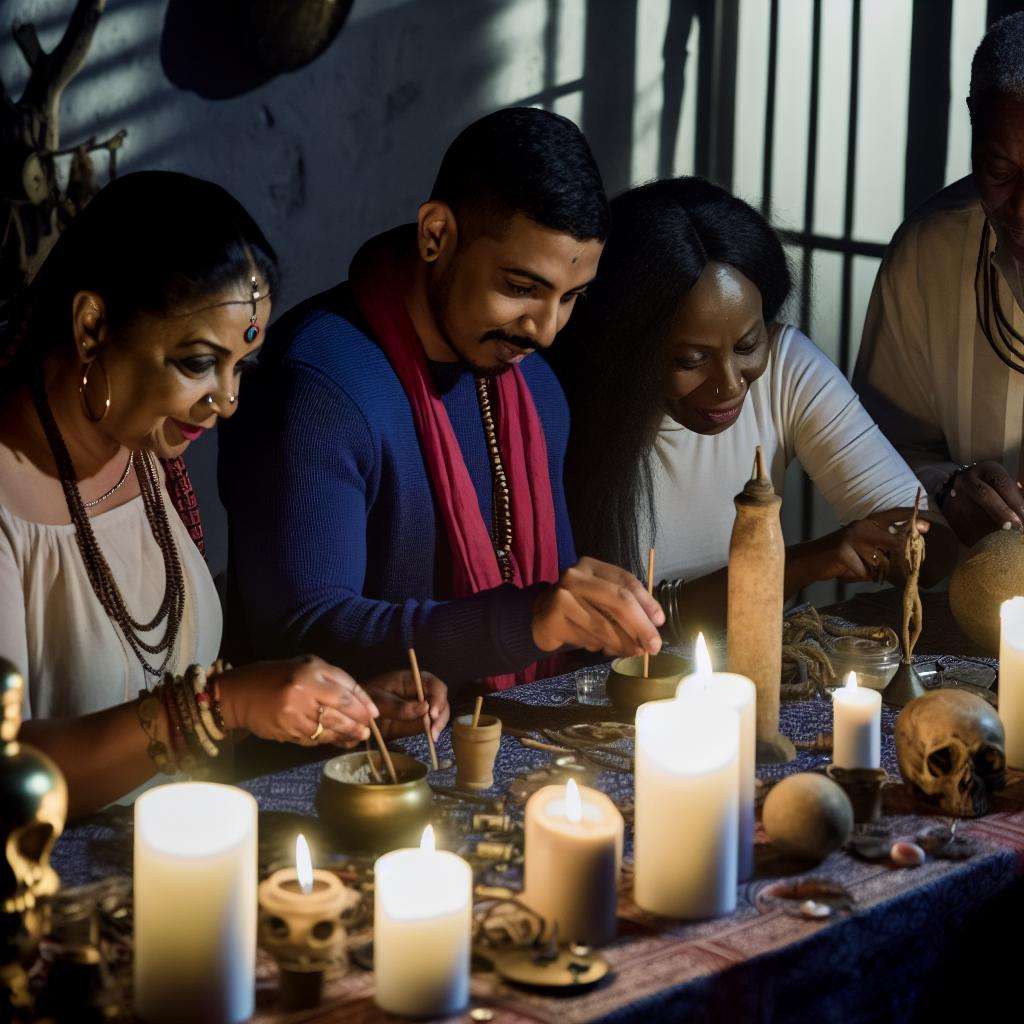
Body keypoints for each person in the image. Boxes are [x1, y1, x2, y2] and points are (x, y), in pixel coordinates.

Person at [0, 171, 449, 818]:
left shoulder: (147, 457)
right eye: (197, 363)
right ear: (93, 326)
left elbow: (174, 694)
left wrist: (330, 705)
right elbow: (10, 774)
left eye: (240, 367)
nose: (228, 402)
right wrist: (225, 702)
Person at [218, 107, 664, 691]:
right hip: (338, 770)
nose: (546, 330)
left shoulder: (538, 391)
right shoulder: (318, 383)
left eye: (570, 297)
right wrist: (524, 622)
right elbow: (301, 632)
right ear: (436, 234)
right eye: (521, 288)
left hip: (496, 745)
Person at [553, 177, 957, 635]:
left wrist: (906, 543)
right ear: (628, 347)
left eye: (747, 345)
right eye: (691, 359)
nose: (729, 385)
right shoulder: (561, 405)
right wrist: (802, 563)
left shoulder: (787, 366)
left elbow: (933, 546)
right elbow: (618, 629)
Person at [854, 12, 1024, 548]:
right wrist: (947, 487)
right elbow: (873, 452)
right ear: (972, 124)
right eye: (999, 170)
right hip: (978, 603)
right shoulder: (931, 254)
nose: (1021, 208)